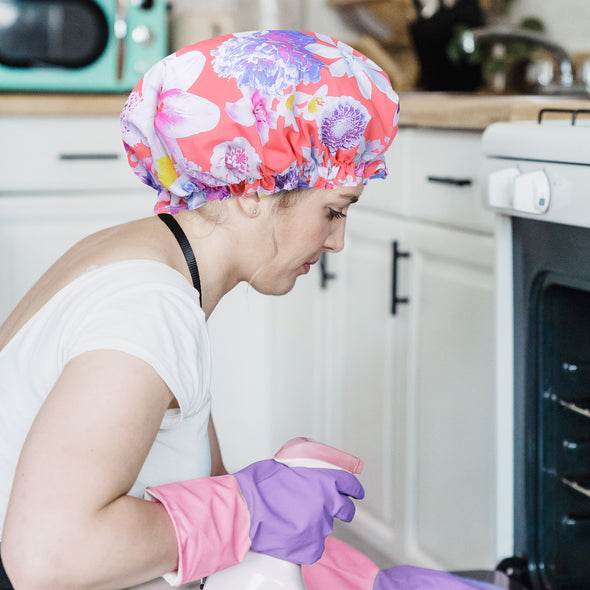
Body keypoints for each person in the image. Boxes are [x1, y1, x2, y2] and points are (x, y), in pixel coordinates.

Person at [0, 30, 497, 590]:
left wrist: (342, 572)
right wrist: (248, 505)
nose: (336, 241)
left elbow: (194, 503)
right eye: (334, 211)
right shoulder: (147, 307)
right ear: (253, 190)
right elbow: (47, 559)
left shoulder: (147, 263)